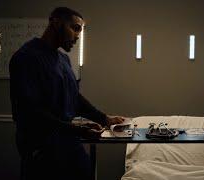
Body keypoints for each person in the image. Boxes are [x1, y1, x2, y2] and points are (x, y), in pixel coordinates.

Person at [9, 7, 124, 180]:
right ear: (55, 22)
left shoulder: (64, 60)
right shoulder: (26, 57)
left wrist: (104, 119)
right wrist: (77, 130)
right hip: (41, 150)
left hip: (69, 144)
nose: (78, 36)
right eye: (75, 28)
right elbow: (29, 112)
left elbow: (74, 98)